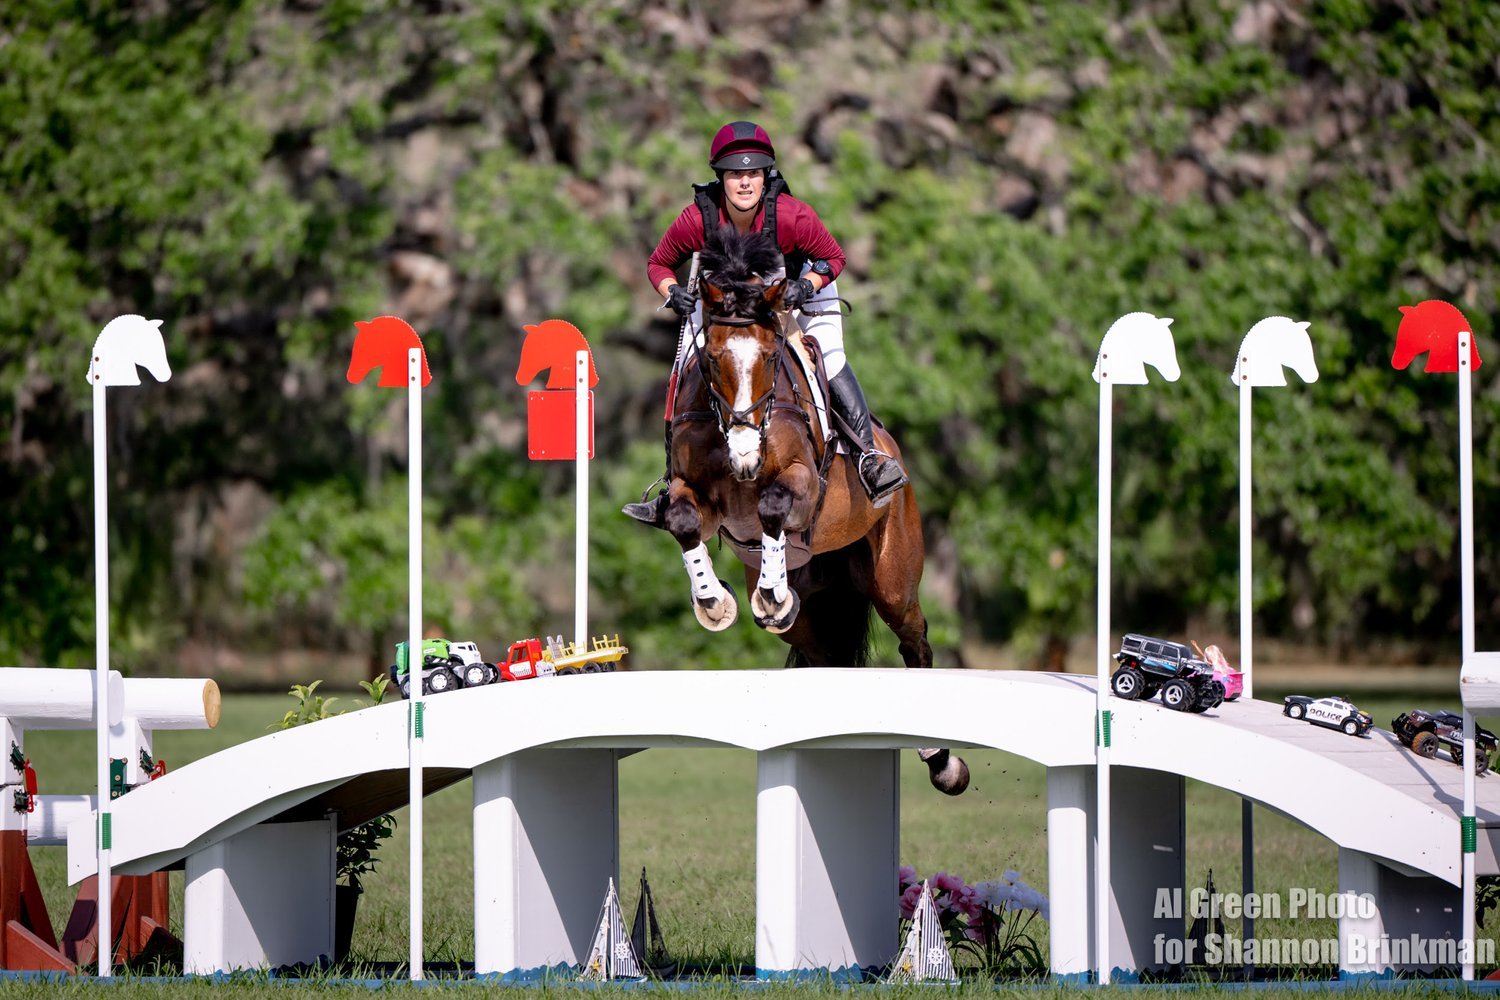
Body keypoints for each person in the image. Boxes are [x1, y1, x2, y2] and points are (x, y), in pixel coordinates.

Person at [624, 121, 907, 526]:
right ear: (721, 178)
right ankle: (671, 479)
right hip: (728, 302)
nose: (744, 183)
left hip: (793, 292)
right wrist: (671, 291)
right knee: (686, 363)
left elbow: (833, 258)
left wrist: (805, 288)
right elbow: (659, 263)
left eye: (753, 173)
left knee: (827, 354)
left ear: (765, 176)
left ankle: (869, 456)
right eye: (736, 174)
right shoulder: (697, 218)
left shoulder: (792, 216)